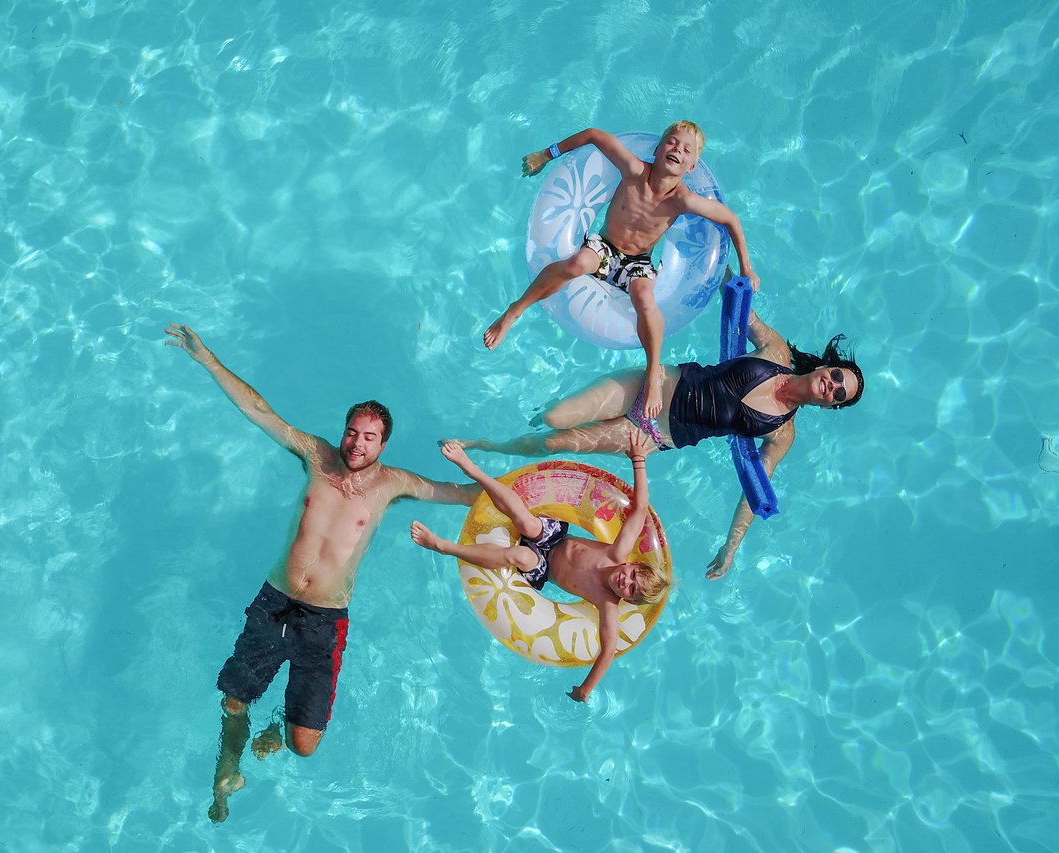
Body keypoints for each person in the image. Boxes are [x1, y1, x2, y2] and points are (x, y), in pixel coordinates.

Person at [163, 323, 479, 823]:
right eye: (352, 432)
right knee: (232, 701)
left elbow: (460, 493)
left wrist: (525, 492)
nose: (356, 443)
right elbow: (258, 410)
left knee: (303, 745)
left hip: (323, 620)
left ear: (383, 444)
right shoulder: (316, 455)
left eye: (369, 437)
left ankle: (276, 730)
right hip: (274, 601)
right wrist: (207, 360)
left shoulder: (395, 485)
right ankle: (227, 771)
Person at [459, 302, 863, 582]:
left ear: (831, 407)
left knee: (554, 444)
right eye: (837, 377)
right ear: (829, 366)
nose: (832, 387)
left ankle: (488, 447)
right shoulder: (776, 351)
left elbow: (755, 488)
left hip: (651, 434)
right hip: (655, 384)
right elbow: (739, 304)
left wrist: (732, 545)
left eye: (838, 395)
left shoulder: (781, 432)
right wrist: (722, 257)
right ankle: (503, 439)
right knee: (554, 418)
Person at [483, 122, 760, 422]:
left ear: (692, 166)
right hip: (605, 246)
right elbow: (593, 134)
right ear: (657, 148)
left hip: (637, 262)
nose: (676, 150)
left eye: (685, 150)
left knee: (645, 300)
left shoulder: (684, 201)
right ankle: (515, 310)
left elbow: (731, 220)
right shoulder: (634, 170)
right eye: (671, 142)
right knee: (578, 264)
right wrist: (545, 155)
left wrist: (747, 268)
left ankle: (653, 373)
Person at [409, 435, 670, 703]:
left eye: (631, 590)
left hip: (541, 566)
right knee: (527, 523)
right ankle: (471, 468)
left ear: (627, 599)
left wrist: (585, 690)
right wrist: (639, 460)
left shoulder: (607, 604)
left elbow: (608, 652)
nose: (626, 581)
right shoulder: (617, 553)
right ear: (634, 564)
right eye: (633, 575)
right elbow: (639, 510)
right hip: (553, 537)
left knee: (519, 555)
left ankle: (443, 546)